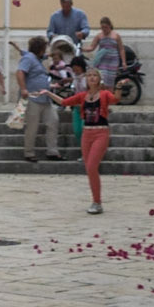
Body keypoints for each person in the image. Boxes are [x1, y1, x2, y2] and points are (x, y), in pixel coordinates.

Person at [54, 63, 116, 213]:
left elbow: (115, 99)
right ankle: (96, 200)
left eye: (94, 75)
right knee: (89, 169)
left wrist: (119, 87)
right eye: (89, 76)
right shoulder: (83, 96)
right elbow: (64, 102)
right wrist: (47, 93)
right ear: (86, 79)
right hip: (86, 134)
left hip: (101, 132)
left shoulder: (105, 94)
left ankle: (97, 202)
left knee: (92, 166)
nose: (92, 78)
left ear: (99, 79)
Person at [17, 35, 60, 163]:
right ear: (40, 49)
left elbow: (45, 57)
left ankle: (52, 151)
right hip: (33, 98)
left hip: (45, 98)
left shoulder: (37, 59)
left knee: (53, 121)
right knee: (32, 126)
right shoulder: (28, 58)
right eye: (44, 48)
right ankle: (29, 152)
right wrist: (23, 89)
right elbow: (20, 72)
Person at [89, 17, 127, 82]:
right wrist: (82, 49)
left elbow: (121, 49)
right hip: (102, 61)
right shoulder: (99, 36)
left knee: (111, 80)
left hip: (113, 61)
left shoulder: (116, 35)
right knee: (103, 78)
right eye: (102, 27)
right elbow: (92, 47)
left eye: (105, 27)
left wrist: (124, 62)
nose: (104, 29)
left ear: (109, 26)